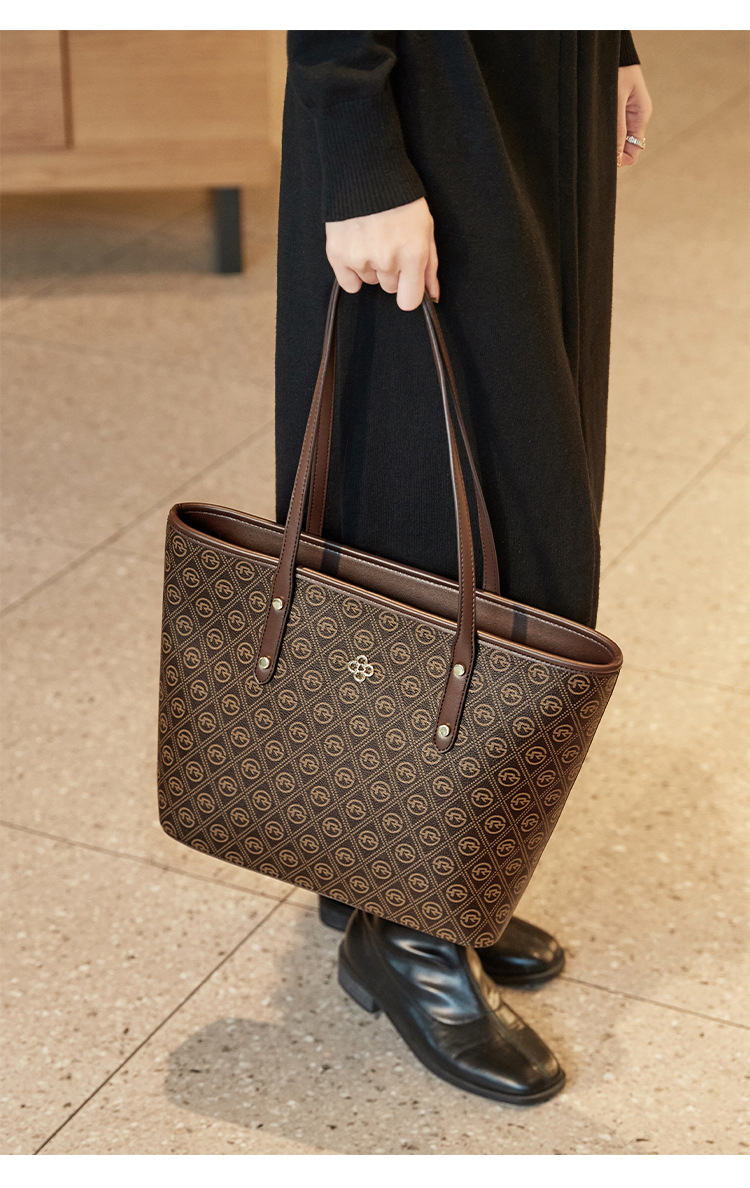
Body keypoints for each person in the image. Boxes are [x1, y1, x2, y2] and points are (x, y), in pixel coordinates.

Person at [274, 31, 652, 1105]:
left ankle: (383, 870)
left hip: (539, 72)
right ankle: (410, 924)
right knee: (439, 508)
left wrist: (611, 41)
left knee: (514, 481)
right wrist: (359, 149)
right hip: (437, 92)